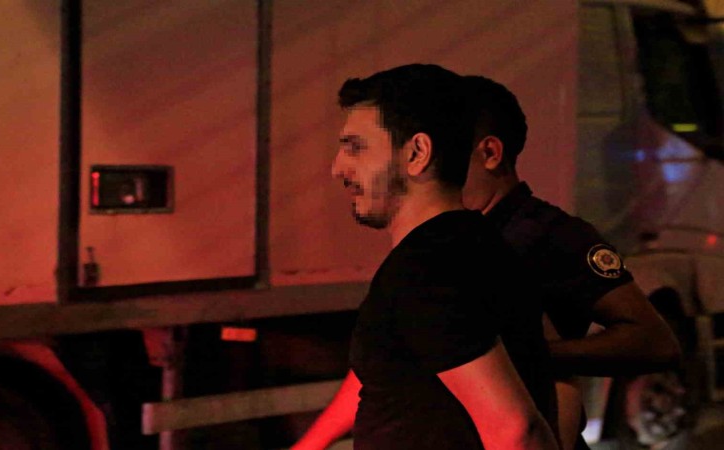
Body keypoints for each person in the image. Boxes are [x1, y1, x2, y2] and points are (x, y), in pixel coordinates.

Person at [292, 73, 682, 450]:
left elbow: (546, 404)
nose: (339, 167)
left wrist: (535, 355)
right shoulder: (454, 244)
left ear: (488, 153)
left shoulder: (543, 238)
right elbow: (385, 363)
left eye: (457, 147)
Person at [306, 63, 560, 450]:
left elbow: (517, 432)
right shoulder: (475, 245)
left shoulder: (426, 269)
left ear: (417, 153)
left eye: (356, 148)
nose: (338, 168)